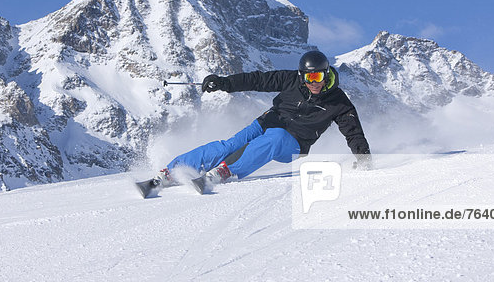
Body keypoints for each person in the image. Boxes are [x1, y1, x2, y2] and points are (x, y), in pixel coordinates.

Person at [153, 50, 371, 189]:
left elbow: (353, 132)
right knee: (229, 145)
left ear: (326, 75)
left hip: (294, 144)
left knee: (275, 137)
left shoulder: (338, 102)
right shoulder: (290, 80)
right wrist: (223, 83)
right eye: (309, 77)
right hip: (266, 122)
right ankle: (172, 171)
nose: (314, 82)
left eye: (319, 77)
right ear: (302, 76)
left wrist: (363, 158)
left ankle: (225, 171)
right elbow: (258, 80)